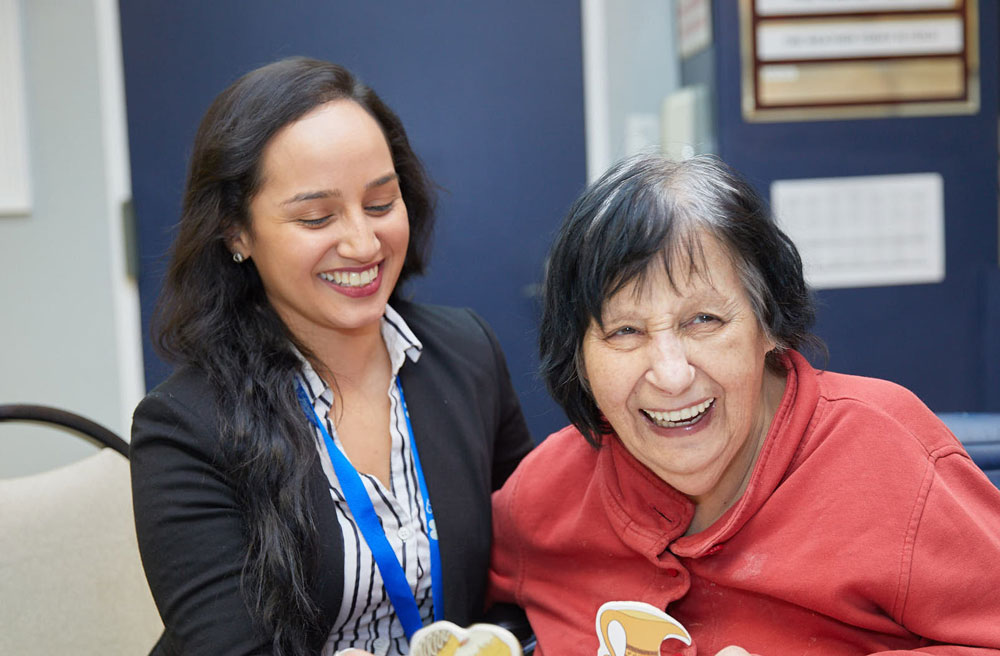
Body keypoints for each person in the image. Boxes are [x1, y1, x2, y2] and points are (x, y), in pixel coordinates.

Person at [488, 153, 1000, 656]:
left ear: (769, 325)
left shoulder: (886, 455)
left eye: (704, 320)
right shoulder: (543, 496)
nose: (671, 375)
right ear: (577, 358)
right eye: (625, 331)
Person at [130, 57, 534, 656]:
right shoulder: (184, 428)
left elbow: (530, 568)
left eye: (380, 204)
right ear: (237, 233)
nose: (363, 243)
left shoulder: (467, 353)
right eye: (317, 216)